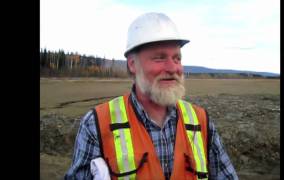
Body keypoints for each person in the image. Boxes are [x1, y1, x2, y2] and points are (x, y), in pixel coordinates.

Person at [65, 12, 238, 180]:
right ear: (133, 64)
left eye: (177, 58)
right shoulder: (96, 125)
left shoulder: (200, 121)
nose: (172, 68)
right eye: (159, 58)